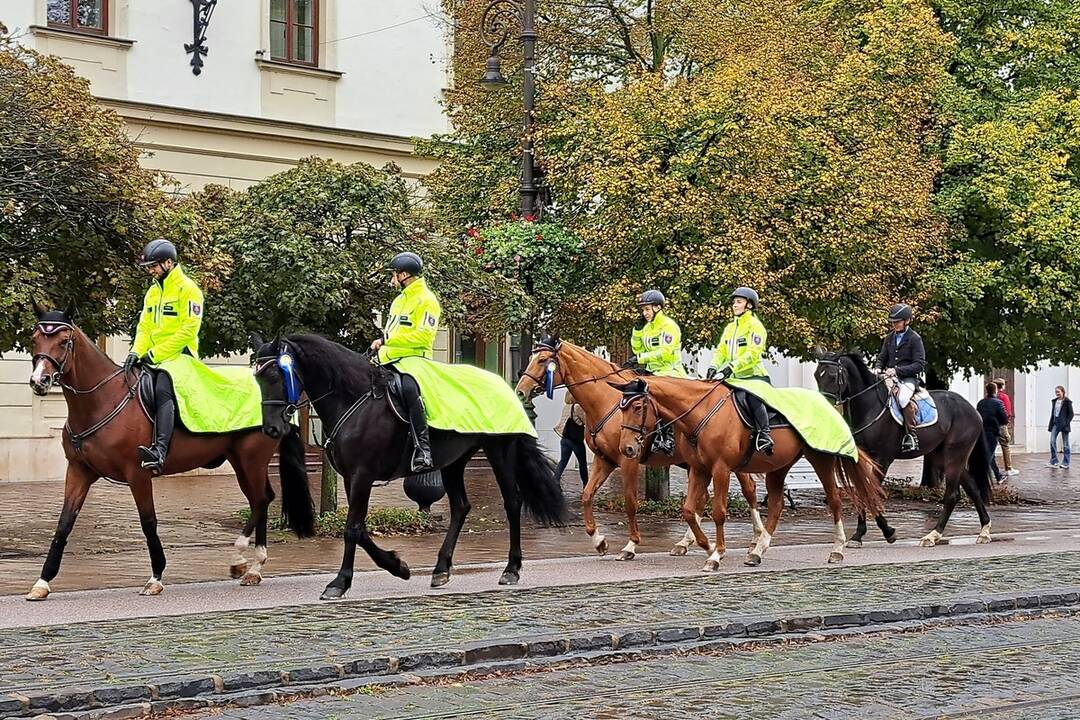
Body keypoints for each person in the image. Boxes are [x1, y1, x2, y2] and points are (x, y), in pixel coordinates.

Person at [124, 238, 204, 474]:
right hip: (152, 356)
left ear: (169, 263)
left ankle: (159, 451)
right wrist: (135, 352)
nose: (150, 271)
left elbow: (188, 329)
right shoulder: (152, 293)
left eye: (153, 266)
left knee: (162, 388)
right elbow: (145, 328)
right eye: (148, 267)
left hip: (179, 356)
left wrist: (155, 353)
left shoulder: (188, 289)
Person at [370, 252, 441, 472]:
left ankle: (423, 449)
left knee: (410, 389)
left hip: (414, 359)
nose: (392, 279)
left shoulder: (427, 300)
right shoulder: (399, 300)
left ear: (404, 274)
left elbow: (424, 337)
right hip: (388, 358)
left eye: (393, 274)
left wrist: (387, 340)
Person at [707, 287, 773, 455]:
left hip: (754, 377)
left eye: (739, 302)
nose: (734, 305)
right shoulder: (730, 328)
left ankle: (764, 434)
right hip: (734, 378)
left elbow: (752, 354)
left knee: (753, 398)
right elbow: (721, 350)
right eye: (734, 302)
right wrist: (713, 366)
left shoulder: (756, 327)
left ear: (749, 305)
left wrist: (731, 368)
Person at [627, 289, 685, 454]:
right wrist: (637, 331)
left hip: (670, 372)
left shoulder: (669, 326)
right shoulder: (646, 328)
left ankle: (668, 438)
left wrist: (641, 358)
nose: (644, 313)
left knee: (655, 398)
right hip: (652, 373)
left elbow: (665, 352)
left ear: (658, 308)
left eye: (647, 309)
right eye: (643, 310)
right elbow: (637, 348)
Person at [874, 303, 925, 452]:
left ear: (907, 321)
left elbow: (919, 365)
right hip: (889, 377)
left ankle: (911, 436)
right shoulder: (889, 338)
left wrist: (896, 370)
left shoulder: (915, 339)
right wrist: (878, 367)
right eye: (893, 322)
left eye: (897, 322)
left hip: (908, 379)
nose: (894, 325)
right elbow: (882, 357)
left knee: (902, 399)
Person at [553, 393, 589, 487]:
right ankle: (586, 484)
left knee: (563, 461)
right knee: (582, 463)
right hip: (575, 440)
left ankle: (555, 480)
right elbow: (585, 421)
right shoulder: (577, 407)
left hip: (564, 439)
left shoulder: (566, 407)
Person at [976, 382, 1008, 484]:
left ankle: (998, 476)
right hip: (992, 431)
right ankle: (979, 477)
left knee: (991, 455)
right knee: (988, 455)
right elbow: (1004, 419)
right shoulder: (998, 403)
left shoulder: (981, 403)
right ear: (995, 391)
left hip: (981, 431)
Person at [993, 378, 1018, 476]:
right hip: (1001, 425)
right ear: (1002, 386)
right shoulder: (1003, 396)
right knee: (1005, 446)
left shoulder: (988, 397)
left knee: (992, 447)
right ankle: (1009, 468)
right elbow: (1007, 412)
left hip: (991, 425)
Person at [1048, 385, 1074, 469]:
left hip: (1064, 425)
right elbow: (1053, 413)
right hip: (1055, 423)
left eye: (1058, 392)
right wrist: (1051, 423)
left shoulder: (1067, 402)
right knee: (1052, 441)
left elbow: (1071, 414)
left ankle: (1066, 463)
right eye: (1056, 392)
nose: (1057, 393)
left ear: (1063, 392)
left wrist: (1066, 423)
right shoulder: (1055, 401)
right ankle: (1054, 461)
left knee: (1066, 444)